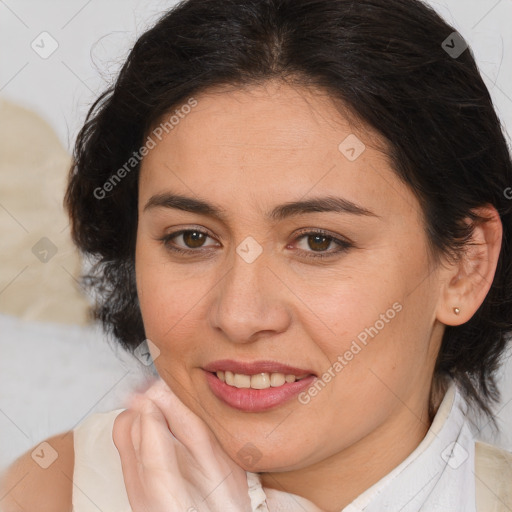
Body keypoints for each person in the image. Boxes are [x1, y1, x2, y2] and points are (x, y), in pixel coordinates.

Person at [1, 0, 512, 510]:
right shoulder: (55, 489)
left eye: (318, 241)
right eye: (192, 238)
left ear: (464, 266)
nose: (239, 316)